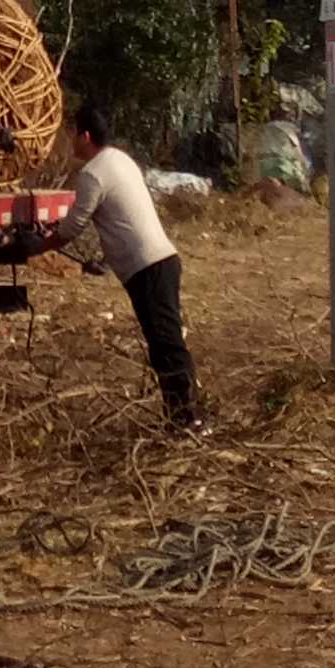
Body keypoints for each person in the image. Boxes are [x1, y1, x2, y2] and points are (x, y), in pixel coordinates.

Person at [62, 94, 203, 430]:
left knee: (166, 343)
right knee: (163, 343)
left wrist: (40, 243)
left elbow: (74, 226)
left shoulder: (93, 174)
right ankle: (182, 415)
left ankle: (189, 419)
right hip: (160, 262)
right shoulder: (120, 160)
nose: (70, 142)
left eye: (72, 134)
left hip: (148, 268)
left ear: (84, 136)